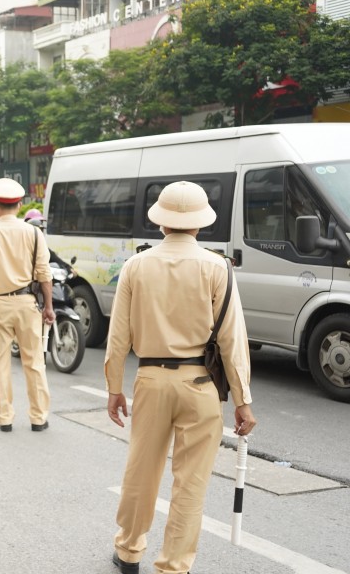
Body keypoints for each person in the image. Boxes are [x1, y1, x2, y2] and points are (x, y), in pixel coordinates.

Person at [105, 181, 256, 574]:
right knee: (190, 484)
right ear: (201, 225)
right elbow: (231, 339)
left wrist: (113, 389)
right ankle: (173, 567)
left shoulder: (135, 266)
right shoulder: (217, 266)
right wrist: (243, 399)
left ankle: (129, 551)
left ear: (161, 223)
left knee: (141, 471)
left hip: (151, 380)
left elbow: (118, 337)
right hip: (201, 385)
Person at [0, 178, 55, 433]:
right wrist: (48, 307)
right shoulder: (34, 233)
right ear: (19, 205)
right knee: (34, 361)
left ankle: (4, 418)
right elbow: (44, 274)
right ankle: (38, 418)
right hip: (28, 304)